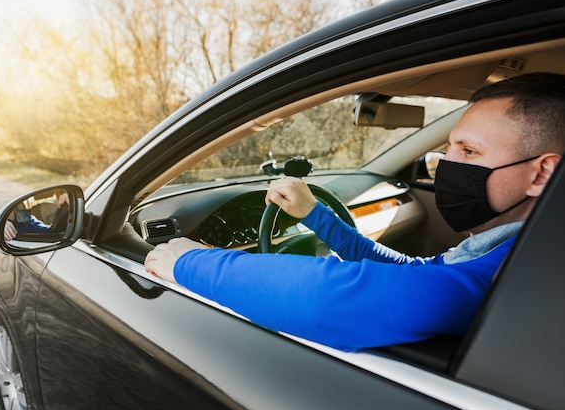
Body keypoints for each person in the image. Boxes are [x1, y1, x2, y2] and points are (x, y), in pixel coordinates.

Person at [144, 73, 565, 351]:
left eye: (468, 151)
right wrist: (316, 216)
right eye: (448, 146)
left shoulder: (519, 273)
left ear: (542, 173)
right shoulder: (511, 248)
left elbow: (333, 298)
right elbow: (416, 272)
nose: (442, 163)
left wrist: (190, 261)